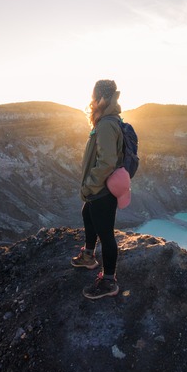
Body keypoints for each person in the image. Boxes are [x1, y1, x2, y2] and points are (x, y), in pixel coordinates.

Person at [72, 79, 124, 300]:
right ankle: (89, 256)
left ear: (102, 98)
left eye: (94, 97)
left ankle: (109, 281)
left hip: (101, 189)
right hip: (101, 188)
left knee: (106, 234)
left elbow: (106, 163)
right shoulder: (108, 120)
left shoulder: (105, 125)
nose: (92, 101)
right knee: (87, 213)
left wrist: (90, 186)